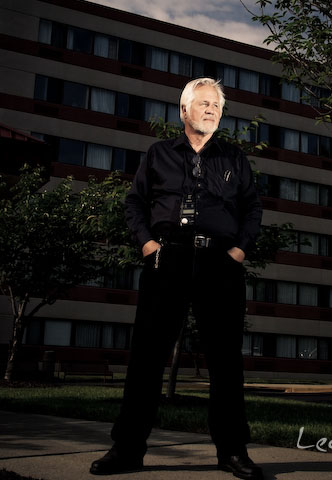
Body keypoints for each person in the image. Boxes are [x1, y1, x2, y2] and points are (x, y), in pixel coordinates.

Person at [89, 77, 264, 480]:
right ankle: (128, 449)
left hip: (220, 264)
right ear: (184, 111)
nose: (211, 110)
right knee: (147, 357)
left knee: (225, 362)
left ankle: (233, 452)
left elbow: (252, 208)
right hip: (167, 260)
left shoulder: (234, 159)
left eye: (216, 106)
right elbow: (134, 202)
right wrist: (148, 245)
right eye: (203, 104)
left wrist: (238, 251)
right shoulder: (158, 154)